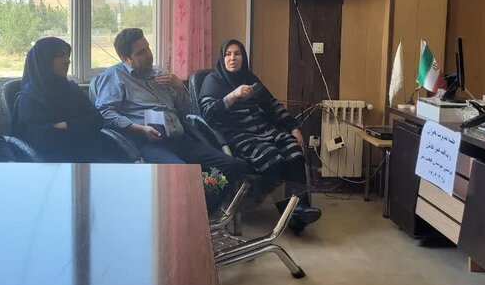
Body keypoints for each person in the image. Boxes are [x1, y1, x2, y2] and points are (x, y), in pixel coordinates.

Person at [93, 28, 251, 181]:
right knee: (183, 175)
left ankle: (207, 196)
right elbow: (105, 114)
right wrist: (139, 128)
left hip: (179, 139)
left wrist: (179, 87)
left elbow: (185, 110)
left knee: (233, 166)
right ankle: (196, 195)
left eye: (148, 48)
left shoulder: (159, 73)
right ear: (126, 58)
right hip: (149, 144)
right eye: (141, 52)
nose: (149, 55)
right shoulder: (114, 77)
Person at [199, 39, 321, 230]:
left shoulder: (250, 78)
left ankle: (301, 208)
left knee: (293, 148)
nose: (233, 58)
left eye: (237, 54)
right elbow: (208, 115)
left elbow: (272, 106)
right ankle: (292, 212)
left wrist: (293, 128)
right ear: (222, 58)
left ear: (244, 58)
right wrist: (233, 95)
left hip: (262, 129)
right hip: (236, 133)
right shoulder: (213, 81)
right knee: (270, 155)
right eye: (228, 54)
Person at [13, 37, 123, 163]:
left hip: (90, 157)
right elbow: (44, 139)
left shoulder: (71, 89)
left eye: (67, 55)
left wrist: (66, 125)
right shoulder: (29, 98)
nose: (68, 61)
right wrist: (82, 127)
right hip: (52, 164)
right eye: (61, 55)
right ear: (45, 60)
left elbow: (97, 120)